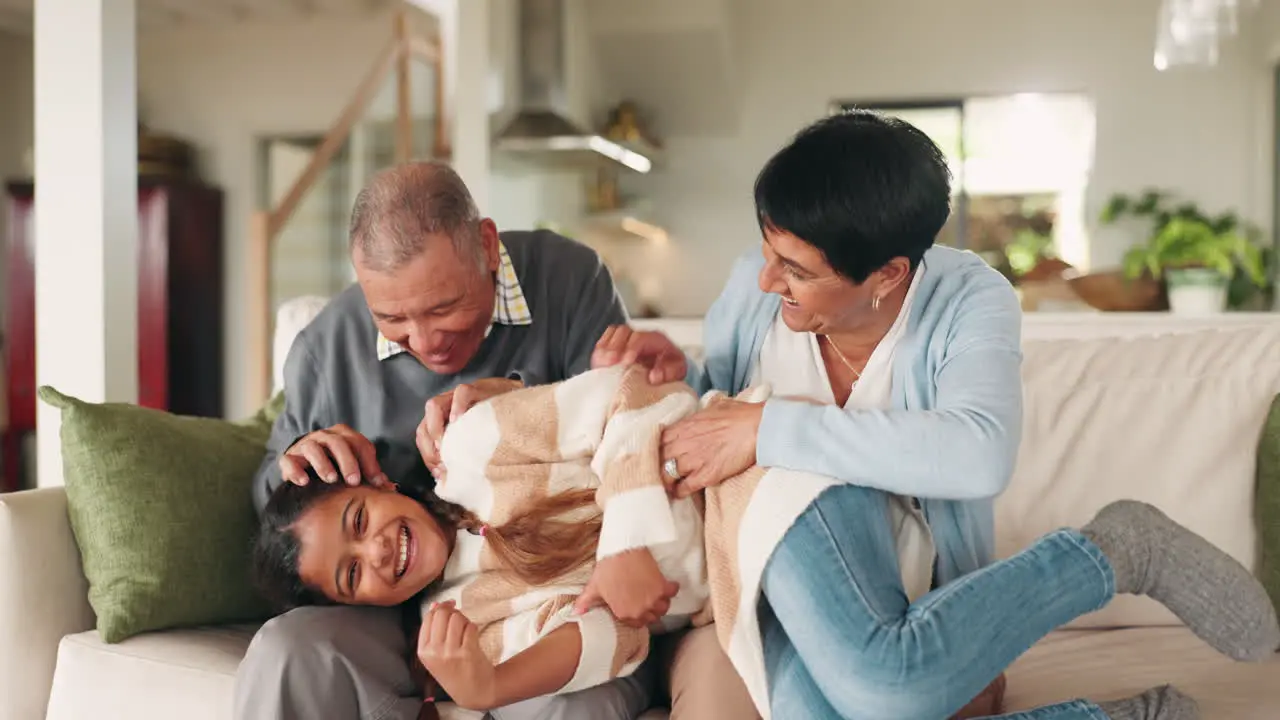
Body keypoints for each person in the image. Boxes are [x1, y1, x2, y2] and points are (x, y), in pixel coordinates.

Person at [589, 110, 1279, 718]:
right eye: (768, 252)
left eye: (794, 269)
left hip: (909, 591)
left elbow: (978, 452)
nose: (768, 279)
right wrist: (684, 373)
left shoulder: (970, 300)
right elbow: (721, 413)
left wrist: (769, 429)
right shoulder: (756, 281)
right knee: (882, 696)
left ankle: (1119, 548)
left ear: (888, 275)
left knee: (889, 692)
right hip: (770, 574)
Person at [251, 362, 1280, 720]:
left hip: (758, 481)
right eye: (351, 575)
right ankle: (1121, 717)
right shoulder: (460, 616)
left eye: (358, 523)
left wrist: (623, 538)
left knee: (883, 683)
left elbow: (627, 401)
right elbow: (612, 643)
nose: (375, 552)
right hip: (735, 605)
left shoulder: (472, 447)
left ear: (379, 486)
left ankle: (1114, 550)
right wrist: (487, 690)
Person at [235, 161, 754, 720]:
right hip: (424, 607)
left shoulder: (565, 278)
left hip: (594, 576)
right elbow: (281, 522)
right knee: (285, 650)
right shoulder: (327, 349)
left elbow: (617, 411)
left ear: (486, 245)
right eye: (392, 318)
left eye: (443, 308)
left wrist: (511, 402)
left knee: (570, 698)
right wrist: (300, 459)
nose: (426, 342)